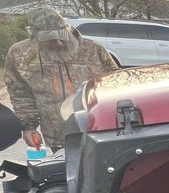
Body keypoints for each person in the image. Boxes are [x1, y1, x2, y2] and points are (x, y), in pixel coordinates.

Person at [3, 8, 118, 151]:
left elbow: (116, 84)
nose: (57, 42)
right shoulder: (20, 54)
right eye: (49, 39)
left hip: (99, 129)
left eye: (61, 36)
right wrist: (29, 126)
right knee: (66, 171)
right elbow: (20, 93)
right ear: (33, 34)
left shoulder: (93, 49)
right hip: (57, 134)